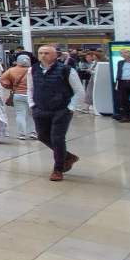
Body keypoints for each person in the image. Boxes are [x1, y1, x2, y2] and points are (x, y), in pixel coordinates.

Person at [29, 45, 84, 181]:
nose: (43, 55)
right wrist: (32, 104)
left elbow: (79, 91)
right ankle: (68, 156)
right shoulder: (33, 70)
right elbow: (30, 88)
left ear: (55, 55)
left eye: (46, 53)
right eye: (40, 53)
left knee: (57, 138)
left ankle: (58, 169)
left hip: (61, 110)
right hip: (40, 109)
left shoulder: (66, 70)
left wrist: (70, 107)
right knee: (42, 136)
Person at [0, 54, 36, 139]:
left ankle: (22, 134)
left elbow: (3, 80)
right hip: (32, 96)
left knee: (20, 114)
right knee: (32, 114)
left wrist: (11, 87)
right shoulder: (34, 70)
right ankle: (33, 132)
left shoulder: (11, 70)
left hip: (18, 94)